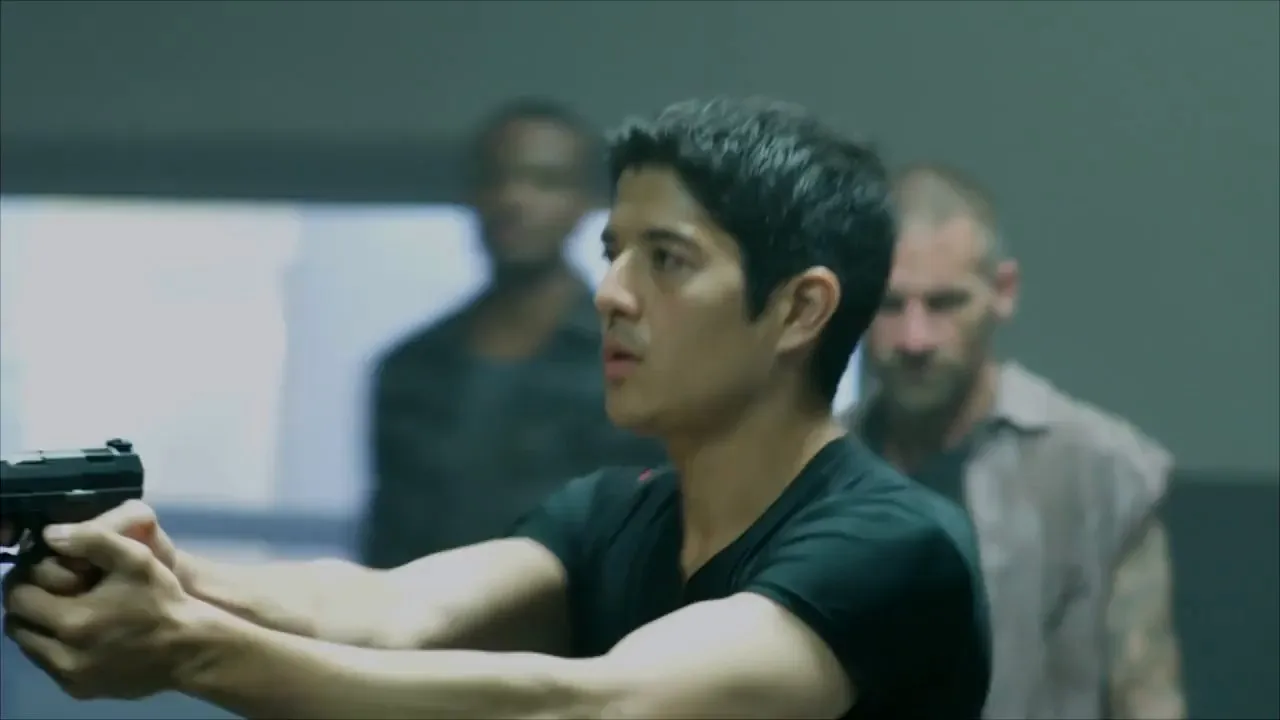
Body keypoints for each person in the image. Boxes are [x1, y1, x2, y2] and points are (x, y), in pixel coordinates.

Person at [1, 98, 991, 719]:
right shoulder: (614, 513)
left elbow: (597, 707)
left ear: (799, 309)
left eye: (667, 260)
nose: (611, 293)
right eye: (613, 252)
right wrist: (165, 571)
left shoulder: (891, 544)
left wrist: (183, 645)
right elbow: (389, 610)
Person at [848, 163, 1185, 718]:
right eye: (890, 304)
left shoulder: (1101, 470)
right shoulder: (816, 463)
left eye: (945, 303)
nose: (914, 338)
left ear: (1002, 292)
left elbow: (1148, 698)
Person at [364, 98, 664, 567]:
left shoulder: (636, 357)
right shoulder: (410, 368)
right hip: (420, 611)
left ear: (586, 202)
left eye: (546, 181)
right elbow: (386, 537)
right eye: (496, 178)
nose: (514, 199)